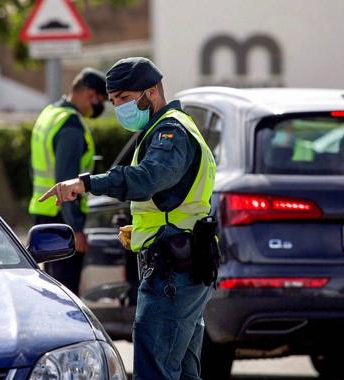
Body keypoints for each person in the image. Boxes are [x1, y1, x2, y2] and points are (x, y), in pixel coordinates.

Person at [39, 57, 217, 380]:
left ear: (152, 91)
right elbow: (177, 198)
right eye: (113, 101)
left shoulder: (170, 131)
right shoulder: (165, 127)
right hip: (182, 264)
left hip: (173, 274)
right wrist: (143, 229)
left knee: (155, 370)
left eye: (124, 98)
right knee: (184, 372)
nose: (118, 107)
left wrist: (87, 183)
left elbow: (148, 178)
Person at [28, 67, 108, 295]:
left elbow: (34, 168)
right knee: (66, 292)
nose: (98, 107)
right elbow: (66, 181)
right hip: (62, 219)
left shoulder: (49, 114)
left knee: (50, 288)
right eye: (99, 100)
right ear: (90, 94)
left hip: (43, 211)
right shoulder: (71, 125)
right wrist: (76, 229)